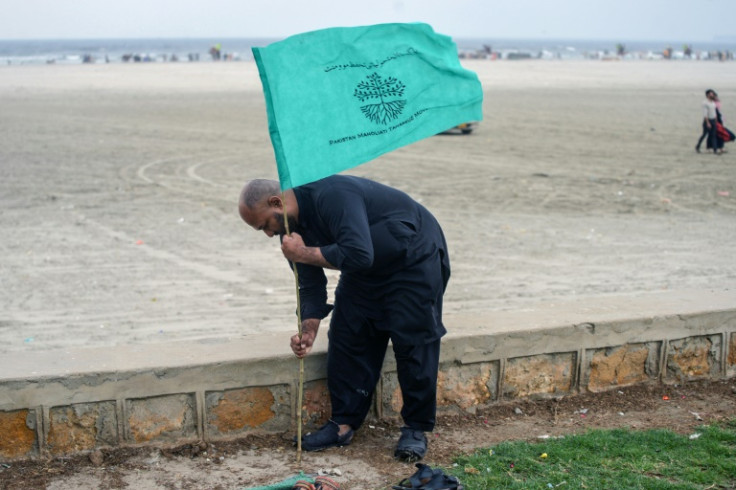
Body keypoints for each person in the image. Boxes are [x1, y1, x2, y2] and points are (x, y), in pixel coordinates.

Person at [238, 175, 450, 461]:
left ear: (277, 202)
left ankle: (416, 428)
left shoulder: (332, 194)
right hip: (364, 269)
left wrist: (303, 252)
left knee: (413, 340)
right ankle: (343, 424)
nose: (266, 233)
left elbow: (358, 252)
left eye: (265, 224)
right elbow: (310, 284)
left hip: (412, 257)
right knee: (347, 335)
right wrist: (308, 328)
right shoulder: (290, 231)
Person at [696, 89, 721, 154]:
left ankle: (715, 150)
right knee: (704, 134)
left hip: (713, 120)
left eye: (712, 94)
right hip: (708, 120)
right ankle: (697, 146)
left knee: (713, 135)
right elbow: (705, 114)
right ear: (707, 95)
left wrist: (716, 120)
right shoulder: (705, 103)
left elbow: (714, 112)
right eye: (711, 94)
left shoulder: (713, 103)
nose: (712, 95)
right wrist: (707, 122)